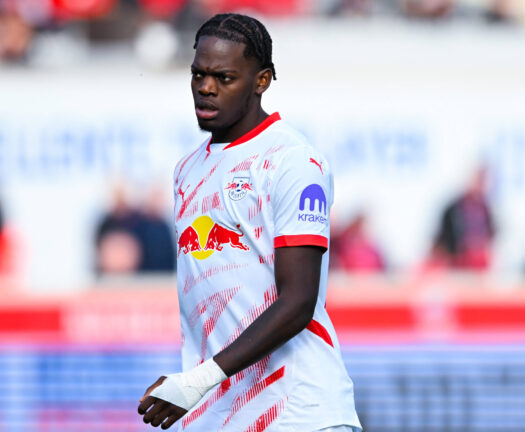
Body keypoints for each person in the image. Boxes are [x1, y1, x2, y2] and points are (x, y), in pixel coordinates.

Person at [137, 13, 362, 431]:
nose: (206, 87)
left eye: (224, 77)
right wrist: (194, 387)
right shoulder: (186, 170)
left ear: (261, 81)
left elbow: (298, 301)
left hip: (298, 412)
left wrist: (199, 380)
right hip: (217, 414)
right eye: (198, 74)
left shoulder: (293, 161)